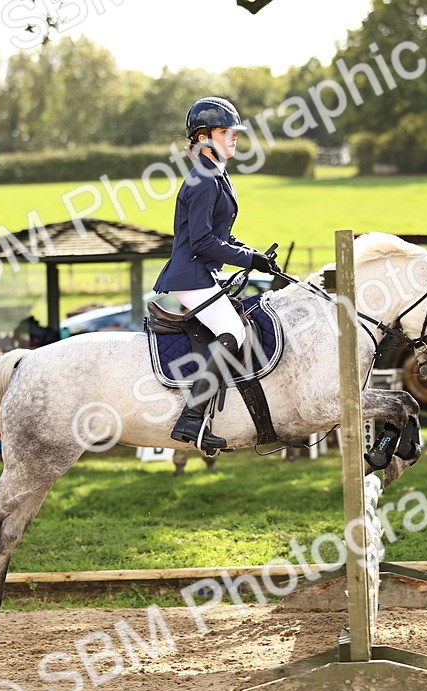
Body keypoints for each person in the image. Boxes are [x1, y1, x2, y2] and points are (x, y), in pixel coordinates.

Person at [152, 96, 276, 453]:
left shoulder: (217, 174)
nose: (234, 137)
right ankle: (191, 419)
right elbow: (203, 241)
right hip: (190, 273)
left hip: (200, 271)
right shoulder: (204, 179)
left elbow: (221, 236)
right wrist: (247, 260)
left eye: (234, 132)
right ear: (203, 137)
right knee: (233, 331)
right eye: (226, 132)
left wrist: (254, 255)